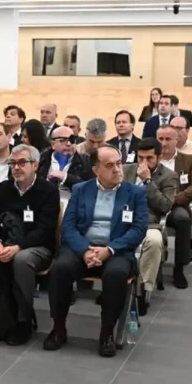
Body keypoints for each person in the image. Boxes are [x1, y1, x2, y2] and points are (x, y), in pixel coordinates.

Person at [44, 145, 147, 358]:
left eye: (119, 163)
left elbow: (138, 229)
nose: (117, 169)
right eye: (109, 166)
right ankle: (58, 327)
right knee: (60, 268)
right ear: (96, 170)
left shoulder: (135, 193)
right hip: (82, 247)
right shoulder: (82, 189)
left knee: (116, 274)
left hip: (116, 250)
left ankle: (107, 331)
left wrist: (109, 249)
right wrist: (84, 250)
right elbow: (69, 226)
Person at [0, 144, 60, 345]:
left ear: (36, 165)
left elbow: (44, 229)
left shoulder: (48, 191)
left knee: (21, 260)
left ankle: (23, 320)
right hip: (5, 242)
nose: (16, 168)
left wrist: (17, 247)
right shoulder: (4, 188)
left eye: (22, 163)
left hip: (37, 247)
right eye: (13, 163)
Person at [122, 137, 176, 315]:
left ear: (159, 157)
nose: (143, 163)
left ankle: (143, 289)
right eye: (140, 158)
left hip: (149, 224)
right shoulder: (125, 170)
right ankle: (115, 285)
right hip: (122, 220)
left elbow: (166, 206)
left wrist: (147, 182)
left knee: (153, 241)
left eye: (149, 158)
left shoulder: (169, 176)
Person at [157, 125, 192, 289]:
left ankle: (179, 268)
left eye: (168, 139)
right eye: (160, 139)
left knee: (183, 220)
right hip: (153, 203)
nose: (163, 143)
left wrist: (176, 199)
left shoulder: (188, 160)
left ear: (177, 140)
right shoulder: (150, 158)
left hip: (176, 204)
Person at [38, 126, 93, 194]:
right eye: (63, 140)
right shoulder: (40, 161)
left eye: (72, 140)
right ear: (53, 144)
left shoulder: (86, 162)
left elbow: (90, 188)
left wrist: (66, 177)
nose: (69, 144)